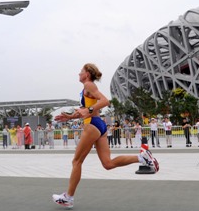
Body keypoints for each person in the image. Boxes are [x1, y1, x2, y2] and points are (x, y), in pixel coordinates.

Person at [52, 63, 159, 208]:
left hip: (92, 125)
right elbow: (84, 110)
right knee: (108, 164)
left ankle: (68, 197)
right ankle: (142, 157)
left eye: (81, 71)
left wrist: (89, 109)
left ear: (87, 74)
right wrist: (70, 117)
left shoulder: (89, 85)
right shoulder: (86, 89)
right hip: (99, 125)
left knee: (76, 162)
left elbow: (105, 101)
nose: (78, 73)